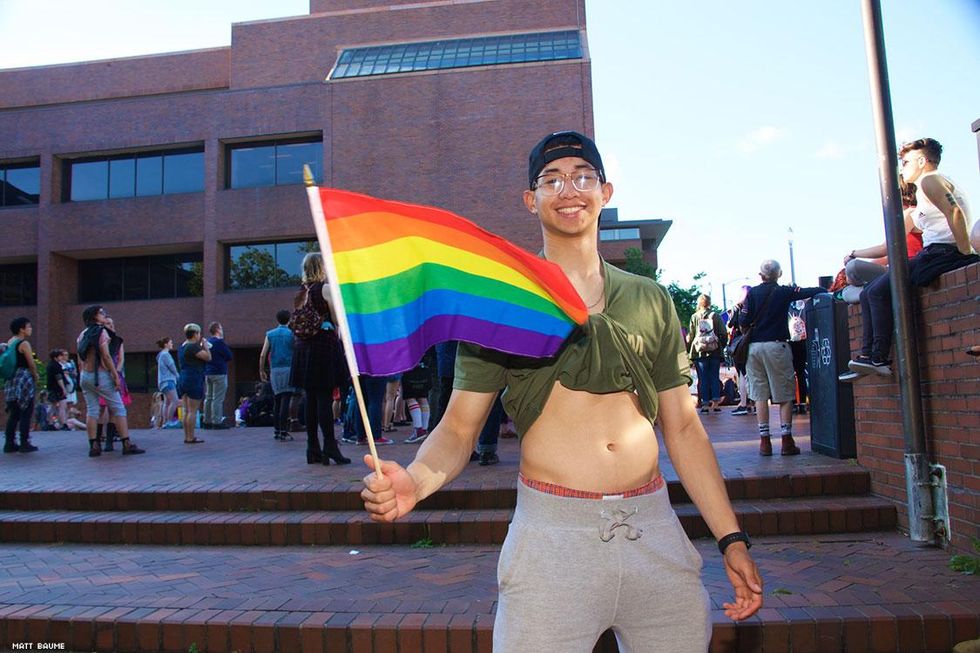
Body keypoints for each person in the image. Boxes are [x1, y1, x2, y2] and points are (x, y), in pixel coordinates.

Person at [361, 131, 762, 650]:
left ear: (605, 192)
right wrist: (415, 482)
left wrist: (731, 538)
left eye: (582, 177)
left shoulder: (651, 299)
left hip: (655, 532)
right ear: (531, 200)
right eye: (551, 180)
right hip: (552, 544)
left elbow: (683, 427)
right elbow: (459, 428)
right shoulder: (503, 302)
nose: (568, 190)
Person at [846, 138, 978, 377]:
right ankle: (869, 357)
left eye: (906, 162)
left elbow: (955, 212)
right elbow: (897, 239)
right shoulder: (925, 197)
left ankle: (878, 358)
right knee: (869, 292)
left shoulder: (930, 180)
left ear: (922, 161)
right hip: (934, 253)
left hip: (942, 253)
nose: (903, 168)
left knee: (875, 292)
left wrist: (965, 252)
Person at [740, 260, 824, 456]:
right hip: (777, 346)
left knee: (760, 394)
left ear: (760, 275)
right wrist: (825, 289)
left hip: (754, 348)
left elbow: (743, 319)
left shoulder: (752, 293)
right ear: (779, 274)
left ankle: (765, 442)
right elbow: (812, 291)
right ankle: (787, 441)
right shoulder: (784, 291)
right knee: (785, 393)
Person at [289, 252, 356, 464]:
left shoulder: (301, 292)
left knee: (310, 398)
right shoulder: (325, 289)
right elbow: (337, 318)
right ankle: (330, 445)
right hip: (322, 346)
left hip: (303, 348)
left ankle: (312, 448)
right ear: (321, 267)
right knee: (324, 398)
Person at [76, 305, 144, 457]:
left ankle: (94, 446)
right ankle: (126, 444)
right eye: (101, 313)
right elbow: (106, 356)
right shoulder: (102, 332)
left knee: (92, 410)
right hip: (101, 375)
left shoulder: (83, 334)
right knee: (119, 409)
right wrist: (115, 375)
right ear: (94, 316)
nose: (104, 315)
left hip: (86, 375)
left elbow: (80, 358)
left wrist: (82, 373)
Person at [686, 293, 727, 414]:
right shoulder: (716, 316)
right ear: (709, 303)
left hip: (700, 353)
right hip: (715, 351)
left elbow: (691, 335)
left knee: (702, 378)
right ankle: (715, 403)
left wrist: (690, 350)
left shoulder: (694, 317)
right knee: (714, 376)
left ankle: (704, 404)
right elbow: (723, 333)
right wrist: (720, 346)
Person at [259, 309, 296, 441]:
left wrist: (261, 370)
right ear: (289, 319)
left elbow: (263, 354)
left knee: (277, 399)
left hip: (274, 369)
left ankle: (276, 430)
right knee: (286, 398)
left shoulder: (270, 334)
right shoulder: (291, 334)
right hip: (288, 368)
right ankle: (283, 430)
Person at [3, 317, 39, 453]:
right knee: (26, 411)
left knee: (14, 413)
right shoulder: (24, 343)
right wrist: (35, 375)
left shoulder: (10, 342)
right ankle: (25, 443)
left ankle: (9, 443)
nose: (30, 329)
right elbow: (31, 363)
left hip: (11, 379)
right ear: (21, 329)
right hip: (23, 378)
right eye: (28, 326)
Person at [177, 323, 210, 444]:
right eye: (199, 333)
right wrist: (205, 346)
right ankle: (191, 437)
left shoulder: (182, 346)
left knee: (186, 411)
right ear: (195, 334)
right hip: (193, 378)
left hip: (184, 378)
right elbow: (208, 357)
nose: (199, 335)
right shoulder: (192, 346)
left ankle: (187, 436)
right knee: (192, 411)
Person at [203, 322, 233, 429]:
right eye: (221, 328)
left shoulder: (207, 342)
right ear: (217, 330)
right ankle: (216, 421)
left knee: (208, 397)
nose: (222, 330)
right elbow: (229, 356)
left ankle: (207, 421)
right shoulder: (220, 343)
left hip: (208, 372)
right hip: (219, 372)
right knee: (218, 398)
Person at [156, 337, 180, 428]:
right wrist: (177, 376)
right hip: (168, 381)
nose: (172, 344)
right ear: (166, 344)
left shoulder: (161, 355)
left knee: (167, 402)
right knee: (175, 400)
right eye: (171, 342)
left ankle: (165, 422)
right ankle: (169, 421)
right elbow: (172, 366)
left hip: (162, 382)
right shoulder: (166, 354)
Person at [46, 349, 69, 428]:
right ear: (56, 357)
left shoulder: (49, 365)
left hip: (51, 388)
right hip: (58, 389)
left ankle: (50, 423)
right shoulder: (57, 366)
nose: (62, 357)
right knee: (63, 406)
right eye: (60, 356)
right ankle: (64, 424)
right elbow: (59, 378)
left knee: (52, 406)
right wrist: (63, 388)